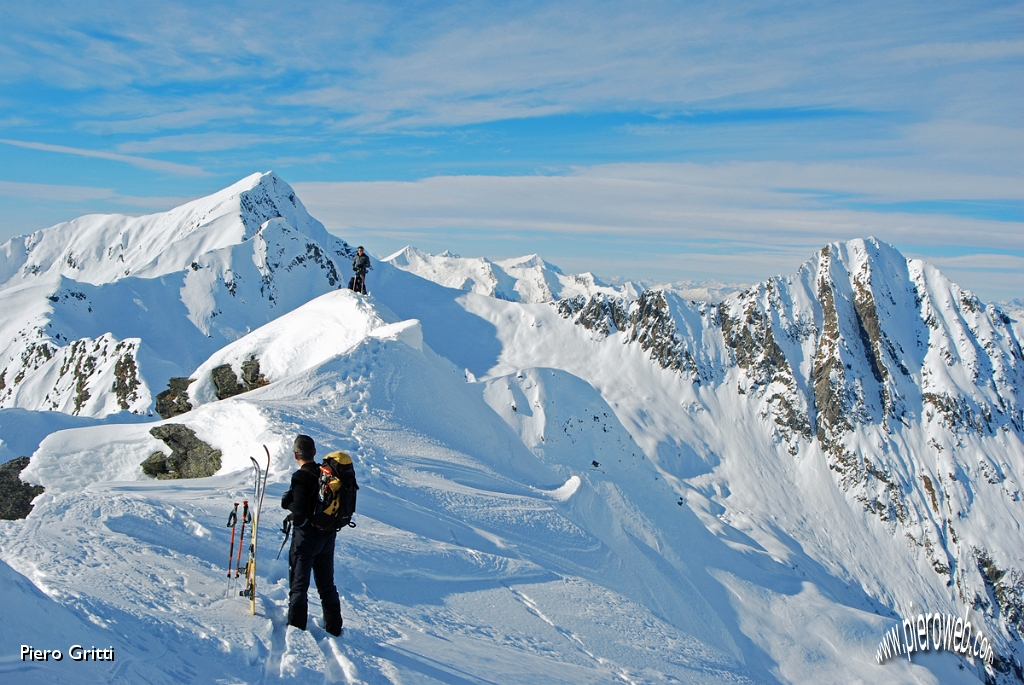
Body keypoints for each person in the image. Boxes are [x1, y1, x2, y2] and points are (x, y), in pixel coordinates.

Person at [281, 434, 343, 636]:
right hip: (327, 536)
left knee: (299, 585)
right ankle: (334, 628)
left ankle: (297, 627)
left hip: (306, 538)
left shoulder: (301, 476)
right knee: (326, 584)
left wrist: (286, 502)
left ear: (295, 455)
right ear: (314, 452)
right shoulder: (326, 473)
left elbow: (299, 509)